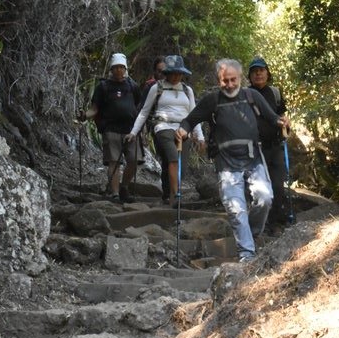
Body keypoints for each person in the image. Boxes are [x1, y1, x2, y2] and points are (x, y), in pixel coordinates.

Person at [175, 58, 287, 262]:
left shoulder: (251, 96)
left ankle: (251, 234)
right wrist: (183, 130)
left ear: (241, 78)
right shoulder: (212, 100)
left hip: (253, 158)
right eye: (224, 80)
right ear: (219, 80)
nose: (229, 84)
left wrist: (282, 122)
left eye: (233, 79)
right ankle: (247, 253)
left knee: (265, 199)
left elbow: (272, 117)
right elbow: (190, 119)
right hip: (226, 163)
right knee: (236, 208)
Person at [127, 55, 205, 205]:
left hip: (184, 129)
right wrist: (133, 132)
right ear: (167, 73)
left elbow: (193, 115)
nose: (176, 76)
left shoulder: (187, 91)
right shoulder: (157, 87)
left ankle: (168, 193)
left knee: (180, 168)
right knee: (173, 159)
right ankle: (175, 197)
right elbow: (144, 111)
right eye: (173, 73)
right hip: (163, 127)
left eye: (179, 73)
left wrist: (200, 136)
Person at [84, 53, 141, 203]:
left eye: (121, 67)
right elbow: (95, 109)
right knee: (113, 162)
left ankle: (125, 187)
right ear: (111, 69)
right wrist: (85, 115)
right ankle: (115, 193)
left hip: (131, 129)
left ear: (125, 69)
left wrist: (143, 129)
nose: (119, 70)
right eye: (116, 68)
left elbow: (140, 108)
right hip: (111, 129)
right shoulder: (103, 87)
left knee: (133, 160)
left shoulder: (132, 86)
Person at [247, 56, 291, 233]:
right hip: (256, 148)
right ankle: (259, 223)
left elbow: (281, 114)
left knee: (278, 186)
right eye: (254, 72)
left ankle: (274, 223)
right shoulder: (245, 95)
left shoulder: (275, 93)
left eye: (261, 70)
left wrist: (286, 122)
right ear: (249, 76)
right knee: (260, 188)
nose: (258, 74)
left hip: (275, 146)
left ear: (267, 73)